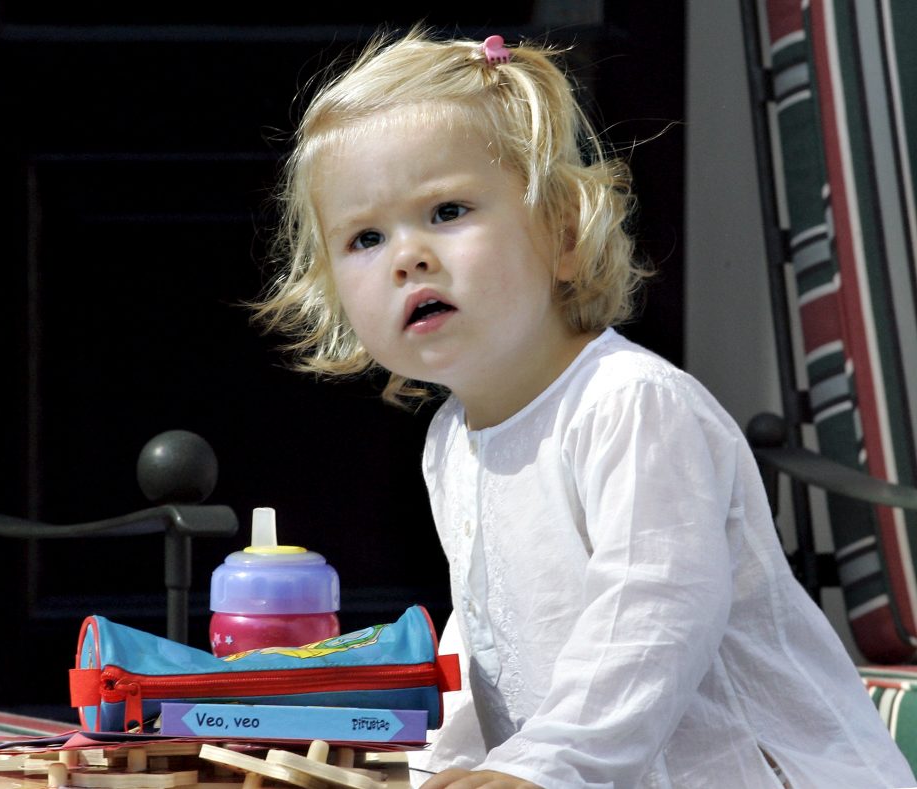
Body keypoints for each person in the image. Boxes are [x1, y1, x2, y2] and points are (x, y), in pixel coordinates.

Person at [250, 25, 917, 789]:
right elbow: (489, 647)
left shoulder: (631, 406)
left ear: (564, 232)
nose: (409, 255)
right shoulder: (453, 440)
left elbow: (652, 616)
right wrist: (442, 766)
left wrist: (541, 768)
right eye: (366, 236)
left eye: (447, 211)